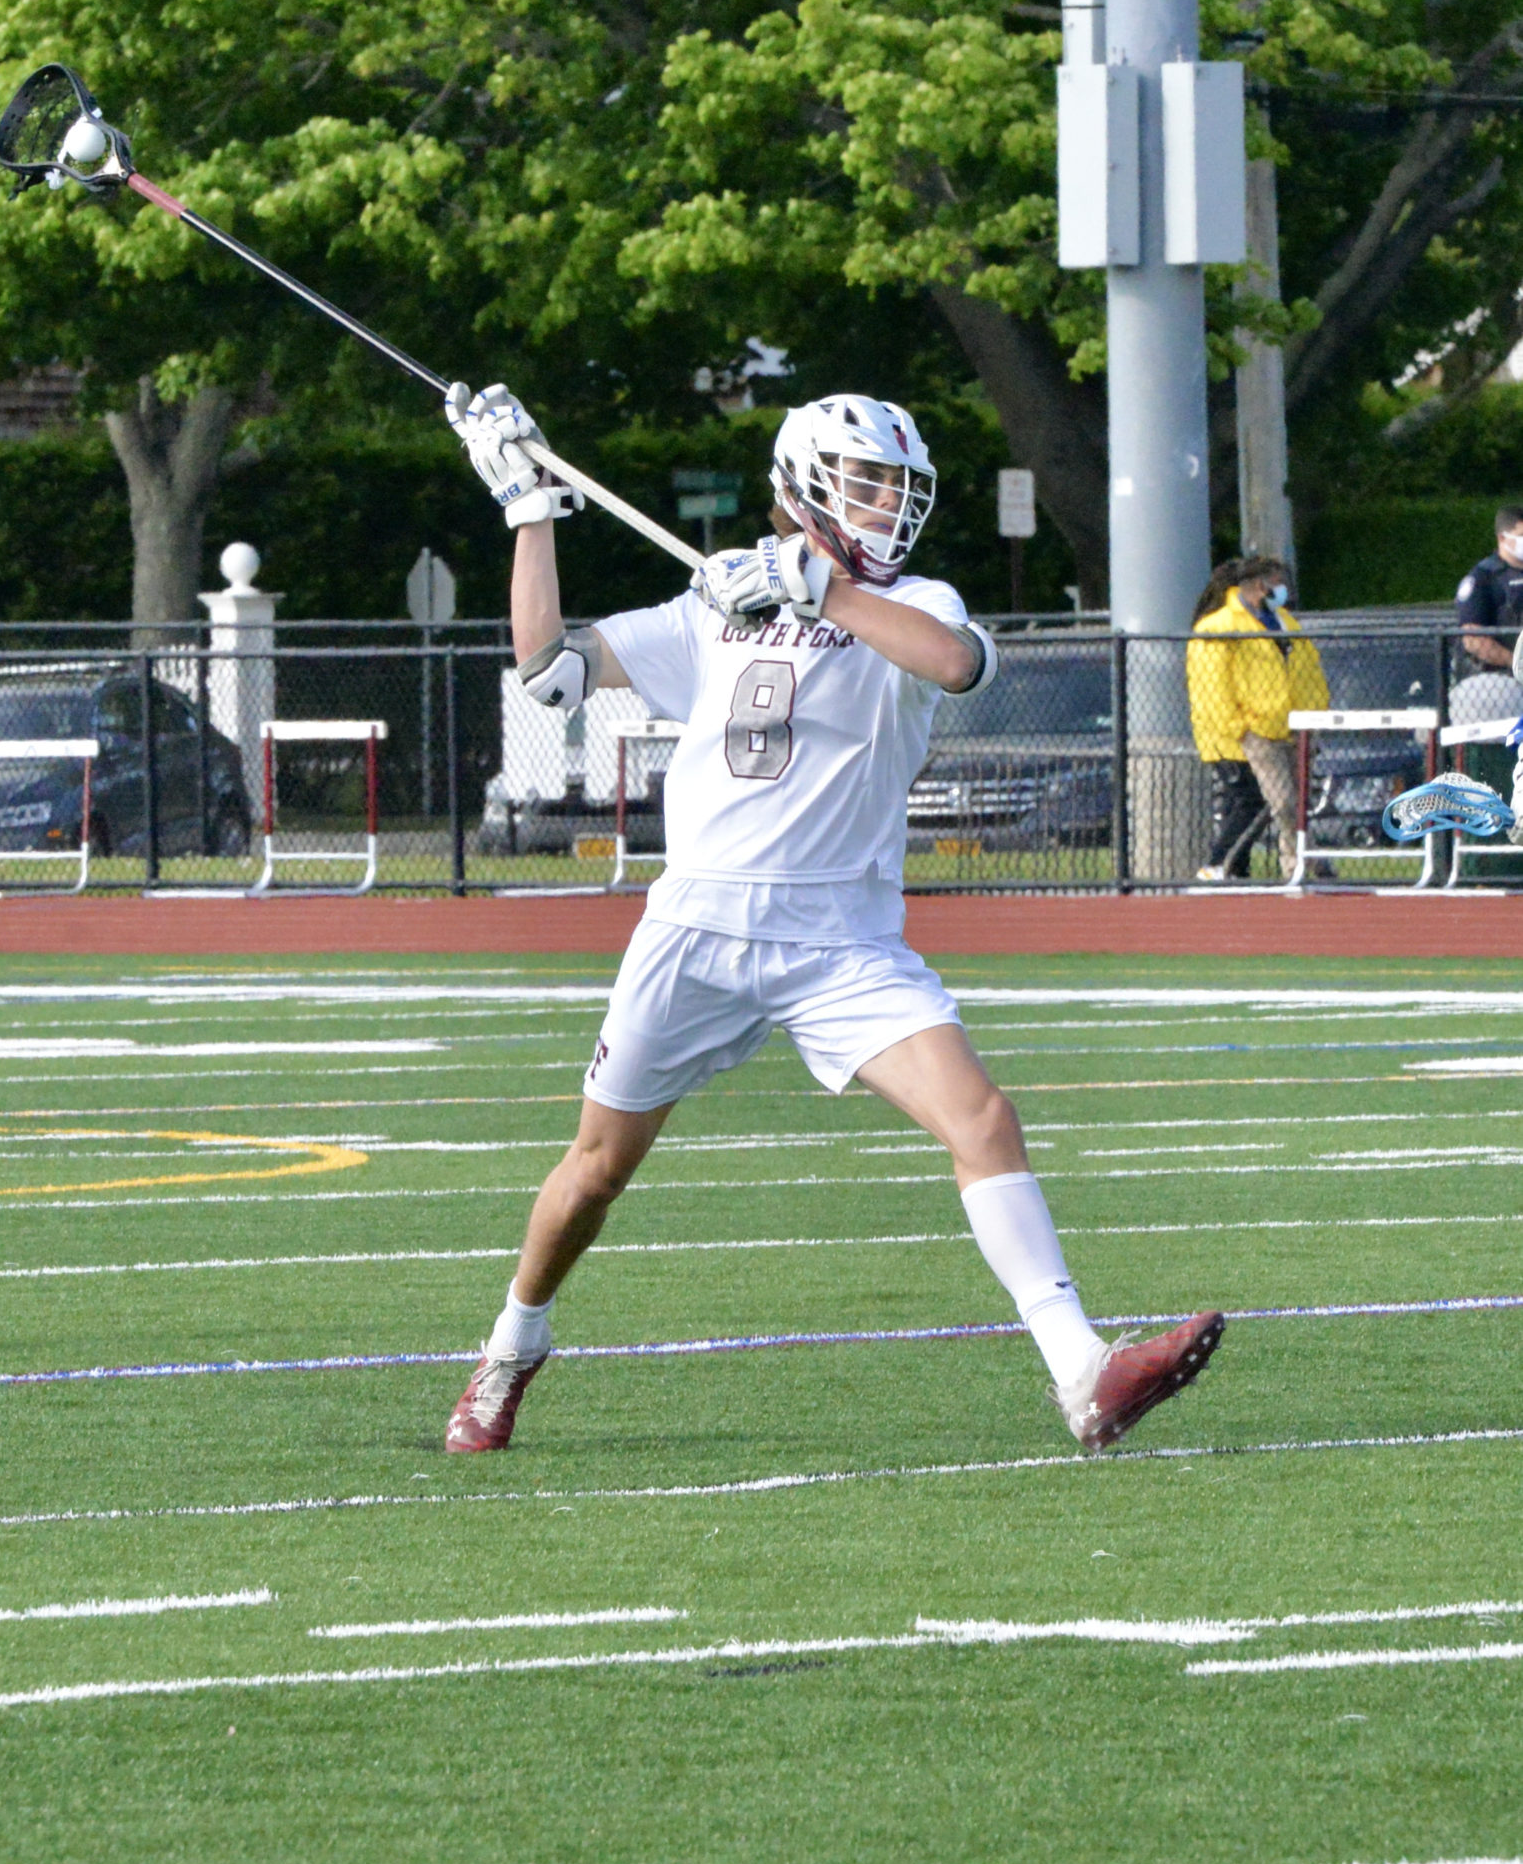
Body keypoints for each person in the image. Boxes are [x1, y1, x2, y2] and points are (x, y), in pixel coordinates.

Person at [439, 380, 1223, 1456]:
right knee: (594, 1172)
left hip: (842, 942)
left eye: (899, 485)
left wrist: (819, 588)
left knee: (981, 1119)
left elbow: (950, 664)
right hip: (696, 930)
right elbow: (547, 671)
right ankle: (511, 1344)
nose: (887, 502)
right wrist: (529, 516)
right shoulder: (714, 605)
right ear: (803, 484)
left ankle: (1080, 1371)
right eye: (866, 480)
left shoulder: (921, 605)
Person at [1187, 555, 1329, 882]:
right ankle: (1223, 865)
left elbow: (1306, 671)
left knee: (1285, 802)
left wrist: (1314, 712)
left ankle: (1242, 866)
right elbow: (1212, 686)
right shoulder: (1219, 627)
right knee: (1272, 801)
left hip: (1290, 727)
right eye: (1278, 582)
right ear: (1259, 584)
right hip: (1249, 732)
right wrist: (1238, 727)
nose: (1283, 590)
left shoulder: (1284, 623)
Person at [1450, 508, 1523, 730]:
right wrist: (1516, 663)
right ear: (1503, 538)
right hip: (1495, 685)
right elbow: (1473, 639)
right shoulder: (1483, 579)